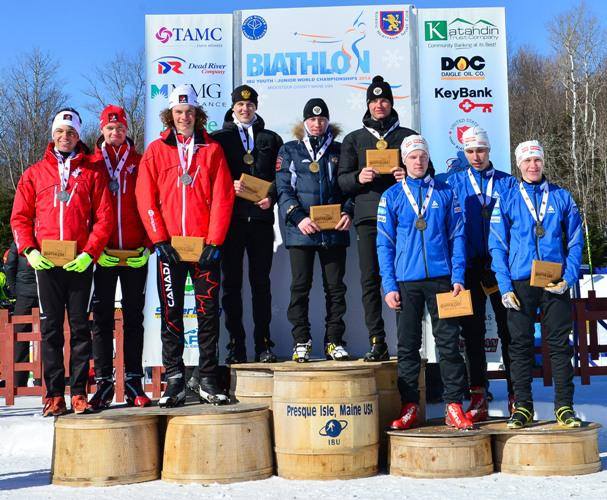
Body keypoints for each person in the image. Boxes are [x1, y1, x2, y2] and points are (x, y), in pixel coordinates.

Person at [11, 108, 113, 416]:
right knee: (50, 330)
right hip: (46, 265)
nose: (65, 137)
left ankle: (79, 393)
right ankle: (54, 395)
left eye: (70, 132)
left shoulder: (93, 173)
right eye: (60, 132)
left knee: (81, 329)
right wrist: (30, 251)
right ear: (52, 134)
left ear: (78, 135)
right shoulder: (34, 173)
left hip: (79, 263)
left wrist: (89, 254)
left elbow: (104, 219)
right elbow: (20, 218)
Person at [136, 85, 234, 407]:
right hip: (170, 250)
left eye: (189, 112)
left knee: (207, 315)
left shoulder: (212, 150)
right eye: (178, 112)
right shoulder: (156, 150)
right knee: (171, 315)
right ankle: (175, 378)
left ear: (197, 114)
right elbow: (145, 197)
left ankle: (207, 376)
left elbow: (223, 197)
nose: (184, 117)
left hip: (203, 248)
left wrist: (215, 240)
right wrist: (158, 238)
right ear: (170, 115)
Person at [377, 135, 473, 430]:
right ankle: (410, 407)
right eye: (412, 157)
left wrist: (458, 276)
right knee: (407, 346)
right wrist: (389, 284)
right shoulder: (391, 196)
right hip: (407, 282)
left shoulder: (445, 192)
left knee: (448, 345)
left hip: (443, 280)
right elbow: (384, 244)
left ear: (428, 159)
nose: (418, 161)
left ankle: (454, 405)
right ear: (403, 162)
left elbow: (458, 236)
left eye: (422, 156)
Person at [489, 140, 584, 429]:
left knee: (559, 346)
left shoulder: (562, 197)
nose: (533, 166)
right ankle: (523, 408)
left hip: (554, 280)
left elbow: (575, 241)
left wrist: (568, 278)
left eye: (537, 161)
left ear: (543, 163)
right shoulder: (506, 198)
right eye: (527, 161)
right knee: (519, 346)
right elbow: (497, 245)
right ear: (519, 165)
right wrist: (504, 287)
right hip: (520, 282)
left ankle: (564, 407)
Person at [338, 75, 418, 361]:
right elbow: (342, 182)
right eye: (374, 101)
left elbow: (427, 171)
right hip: (368, 217)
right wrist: (359, 177)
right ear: (368, 105)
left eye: (384, 100)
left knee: (404, 279)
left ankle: (408, 341)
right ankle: (377, 340)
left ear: (391, 103)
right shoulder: (354, 139)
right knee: (370, 279)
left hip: (405, 218)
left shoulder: (408, 136)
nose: (379, 105)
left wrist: (408, 176)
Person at [445, 127, 517, 420]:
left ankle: (517, 394)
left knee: (509, 331)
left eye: (481, 151)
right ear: (464, 153)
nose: (476, 156)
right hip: (469, 267)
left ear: (490, 151)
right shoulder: (453, 182)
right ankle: (478, 394)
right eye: (471, 151)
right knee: (472, 334)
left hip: (502, 267)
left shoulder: (508, 183)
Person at [211, 85, 283, 364]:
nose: (245, 109)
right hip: (231, 222)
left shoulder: (271, 138)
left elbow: (282, 177)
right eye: (240, 105)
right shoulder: (220, 138)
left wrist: (272, 197)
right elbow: (211, 178)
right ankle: (235, 344)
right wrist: (230, 185)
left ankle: (263, 343)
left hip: (262, 221)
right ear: (232, 108)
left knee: (260, 284)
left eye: (250, 105)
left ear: (256, 106)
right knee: (231, 285)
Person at [276, 99, 353, 362]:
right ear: (304, 122)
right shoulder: (290, 150)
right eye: (312, 119)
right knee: (300, 287)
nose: (317, 124)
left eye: (321, 119)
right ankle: (301, 340)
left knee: (335, 288)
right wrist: (298, 217)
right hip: (301, 231)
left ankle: (334, 341)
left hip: (334, 230)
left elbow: (349, 188)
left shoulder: (341, 150)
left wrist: (348, 212)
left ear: (328, 121)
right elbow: (283, 189)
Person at [88, 105, 152, 410]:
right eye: (110, 128)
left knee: (134, 318)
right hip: (103, 253)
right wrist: (92, 249)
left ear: (127, 130)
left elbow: (155, 202)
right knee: (100, 317)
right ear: (103, 129)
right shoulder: (91, 163)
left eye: (121, 128)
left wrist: (150, 244)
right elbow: (85, 212)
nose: (116, 133)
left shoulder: (139, 163)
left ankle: (133, 382)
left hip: (135, 251)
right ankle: (102, 382)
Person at [5, 241, 38, 387]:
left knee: (19, 337)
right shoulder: (49, 234)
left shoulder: (19, 241)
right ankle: (44, 379)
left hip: (24, 293)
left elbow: (10, 266)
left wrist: (14, 290)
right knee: (50, 336)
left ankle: (18, 382)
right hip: (47, 293)